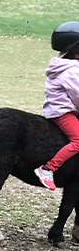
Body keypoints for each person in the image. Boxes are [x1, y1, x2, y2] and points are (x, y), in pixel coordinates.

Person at [34, 21, 79, 191]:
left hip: (57, 109)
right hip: (63, 113)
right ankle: (48, 168)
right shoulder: (72, 71)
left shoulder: (63, 65)